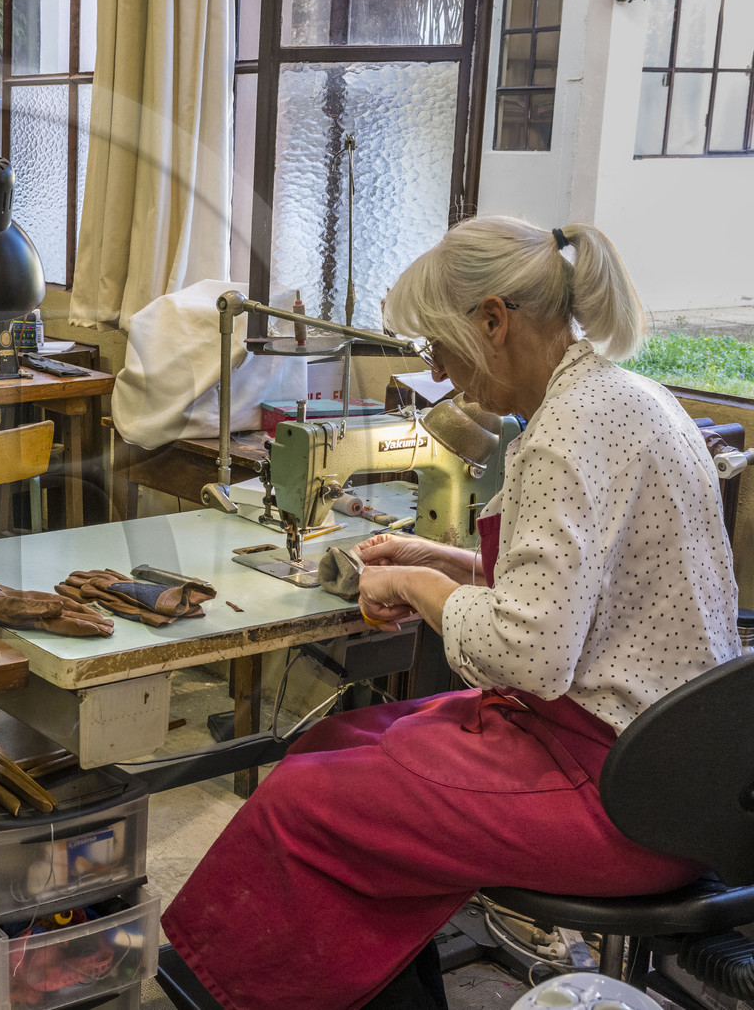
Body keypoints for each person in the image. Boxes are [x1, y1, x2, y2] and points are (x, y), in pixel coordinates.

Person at [162, 216, 739, 1010]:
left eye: (439, 347)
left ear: (494, 321)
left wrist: (416, 590)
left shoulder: (563, 433)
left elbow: (534, 656)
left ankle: (231, 987)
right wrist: (446, 562)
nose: (437, 372)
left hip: (621, 793)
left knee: (305, 805)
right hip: (679, 768)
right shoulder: (628, 397)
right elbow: (579, 599)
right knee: (337, 738)